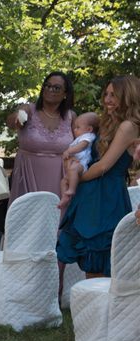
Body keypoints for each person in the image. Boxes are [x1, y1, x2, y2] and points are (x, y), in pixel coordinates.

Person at [57, 76, 140, 277]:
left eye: (114, 95)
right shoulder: (110, 123)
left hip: (107, 196)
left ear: (128, 96)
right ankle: (92, 306)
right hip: (92, 196)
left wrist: (77, 179)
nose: (107, 100)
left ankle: (102, 307)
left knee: (100, 257)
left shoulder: (128, 126)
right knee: (90, 260)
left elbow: (104, 166)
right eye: (106, 94)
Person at [7, 71, 76, 205]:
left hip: (60, 179)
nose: (50, 90)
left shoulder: (71, 116)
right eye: (47, 85)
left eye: (56, 88)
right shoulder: (29, 110)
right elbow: (12, 121)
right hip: (28, 176)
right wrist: (17, 117)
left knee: (56, 218)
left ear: (65, 94)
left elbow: (82, 144)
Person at [58, 112, 99, 209]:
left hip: (82, 164)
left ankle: (72, 189)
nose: (74, 129)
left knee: (73, 170)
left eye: (77, 127)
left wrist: (69, 151)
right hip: (75, 164)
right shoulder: (80, 137)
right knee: (63, 181)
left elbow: (82, 146)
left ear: (89, 129)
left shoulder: (88, 136)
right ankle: (65, 197)